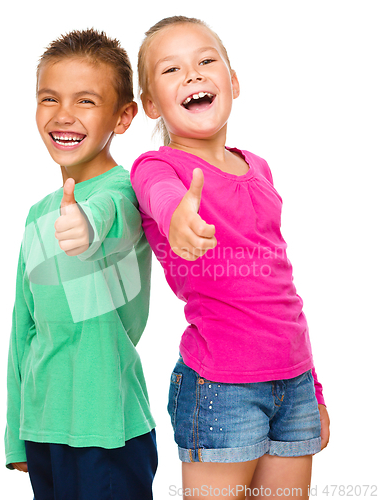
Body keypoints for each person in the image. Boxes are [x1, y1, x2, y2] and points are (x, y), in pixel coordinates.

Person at [130, 16, 330, 499]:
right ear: (152, 104)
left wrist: (314, 387)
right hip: (222, 387)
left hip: (294, 381)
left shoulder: (258, 166)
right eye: (172, 69)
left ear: (233, 81)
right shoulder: (160, 167)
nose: (193, 75)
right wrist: (179, 216)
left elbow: (281, 289)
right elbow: (160, 196)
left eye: (204, 61)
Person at [4, 29, 157, 500]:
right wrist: (17, 431)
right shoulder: (37, 214)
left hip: (108, 429)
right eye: (49, 98)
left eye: (85, 101)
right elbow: (23, 329)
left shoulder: (129, 192)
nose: (63, 115)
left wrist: (86, 225)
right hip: (44, 428)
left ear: (123, 116)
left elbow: (108, 217)